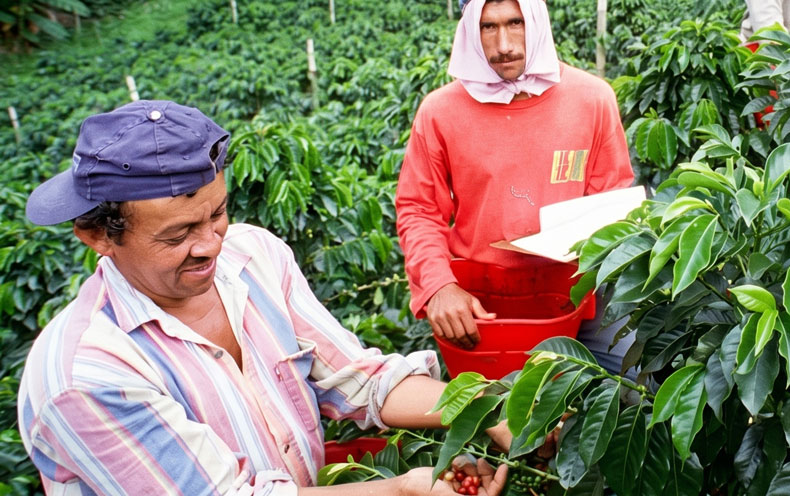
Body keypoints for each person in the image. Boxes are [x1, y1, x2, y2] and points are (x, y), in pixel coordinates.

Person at [19, 100, 509, 495]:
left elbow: (355, 379)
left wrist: (490, 406)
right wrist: (401, 492)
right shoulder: (86, 377)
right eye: (178, 235)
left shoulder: (252, 257)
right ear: (99, 236)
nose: (211, 244)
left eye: (217, 213)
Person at [396, 0, 636, 372]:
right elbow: (419, 209)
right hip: (483, 300)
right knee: (497, 424)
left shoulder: (592, 99)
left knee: (628, 397)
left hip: (578, 292)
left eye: (515, 23)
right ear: (471, 30)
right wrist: (438, 286)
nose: (504, 45)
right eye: (488, 26)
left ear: (537, 21)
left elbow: (611, 200)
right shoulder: (439, 112)